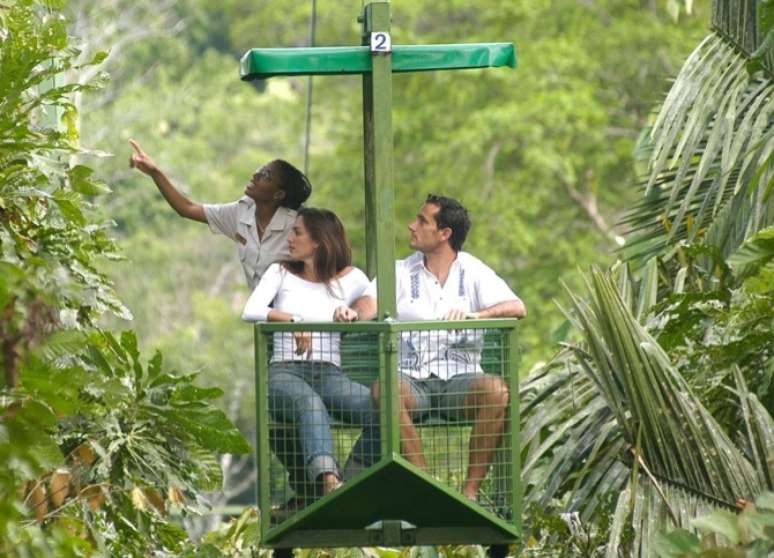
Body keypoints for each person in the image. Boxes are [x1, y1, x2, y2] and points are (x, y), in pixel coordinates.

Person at [343, 194, 526, 502]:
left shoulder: (474, 271)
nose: (412, 226)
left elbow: (517, 307)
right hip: (413, 381)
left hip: (460, 380)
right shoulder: (399, 271)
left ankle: (470, 493)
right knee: (385, 389)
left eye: (422, 220)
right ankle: (427, 484)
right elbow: (368, 304)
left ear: (445, 234)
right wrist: (353, 312)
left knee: (498, 391)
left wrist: (476, 316)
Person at [242, 207, 375, 498]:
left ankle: (351, 481)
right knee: (309, 403)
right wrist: (292, 321)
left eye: (297, 232)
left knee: (383, 410)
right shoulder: (280, 272)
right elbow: (251, 310)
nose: (289, 238)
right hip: (286, 372)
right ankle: (329, 483)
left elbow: (372, 301)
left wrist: (351, 312)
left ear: (318, 241)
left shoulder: (351, 278)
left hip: (330, 374)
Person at [128, 139, 312, 290]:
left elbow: (326, 265)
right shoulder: (242, 212)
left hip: (296, 318)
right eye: (259, 170)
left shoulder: (297, 224)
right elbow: (186, 208)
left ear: (278, 194)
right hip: (263, 320)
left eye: (265, 175)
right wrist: (154, 172)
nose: (255, 175)